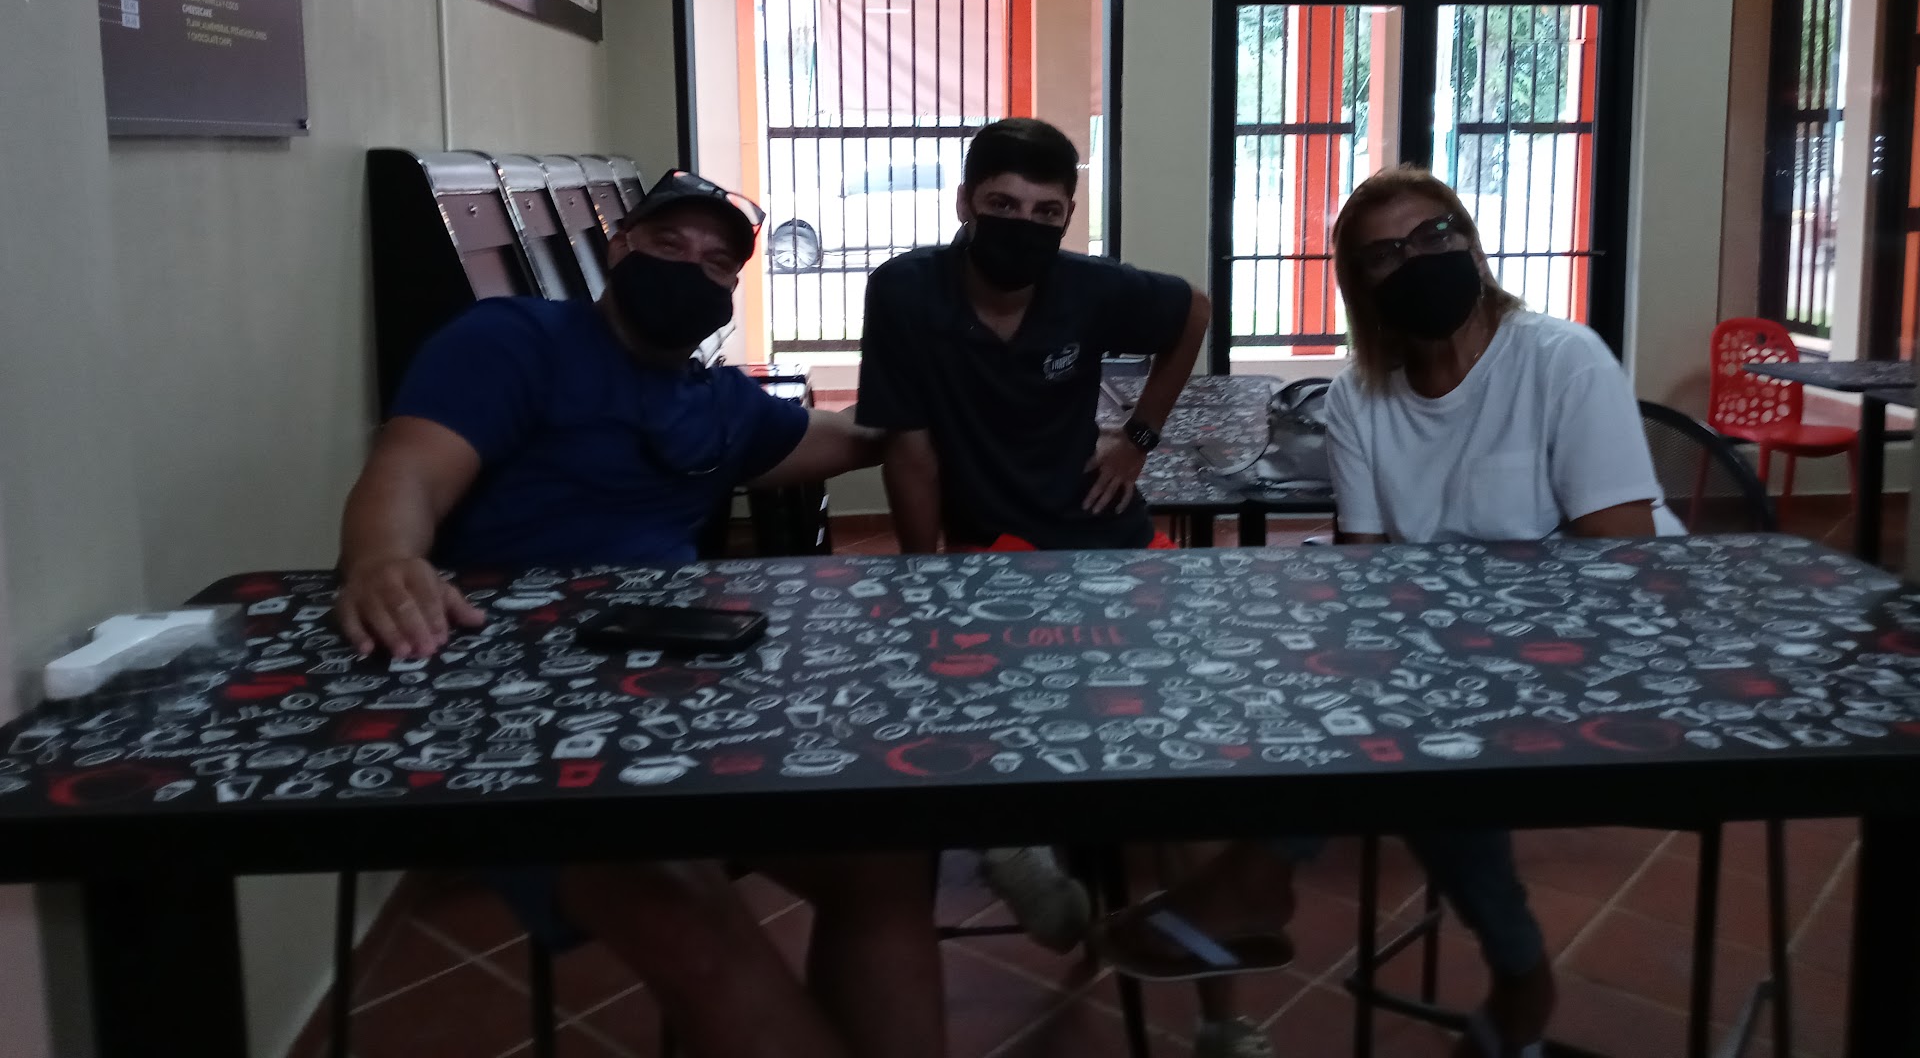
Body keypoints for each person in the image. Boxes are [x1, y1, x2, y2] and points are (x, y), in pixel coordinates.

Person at [334, 170, 945, 1058]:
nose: (691, 268)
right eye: (668, 245)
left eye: (716, 262)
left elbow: (847, 440)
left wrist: (935, 408)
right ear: (619, 248)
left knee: (888, 859)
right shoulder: (515, 341)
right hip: (513, 707)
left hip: (679, 693)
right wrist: (386, 557)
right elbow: (412, 469)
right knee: (689, 915)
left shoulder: (717, 404)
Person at [1100, 165, 1674, 1058]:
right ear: (1361, 286)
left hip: (1612, 644)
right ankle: (1516, 975)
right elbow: (1369, 578)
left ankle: (1261, 876)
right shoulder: (1362, 398)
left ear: (1470, 241)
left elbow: (1622, 563)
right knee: (1395, 711)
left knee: (1416, 720)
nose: (1417, 259)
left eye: (1434, 235)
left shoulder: (1562, 360)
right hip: (1460, 667)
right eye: (1384, 254)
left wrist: (1440, 631)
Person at [855, 119, 1262, 1055]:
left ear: (1067, 217)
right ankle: (1014, 839)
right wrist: (924, 582)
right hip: (993, 550)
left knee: (1187, 756)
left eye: (1047, 212)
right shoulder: (907, 290)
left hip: (1108, 539)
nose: (1024, 224)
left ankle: (1223, 1018)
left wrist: (1137, 440)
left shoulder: (1089, 288)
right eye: (1003, 204)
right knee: (964, 712)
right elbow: (909, 450)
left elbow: (1193, 312)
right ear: (966, 203)